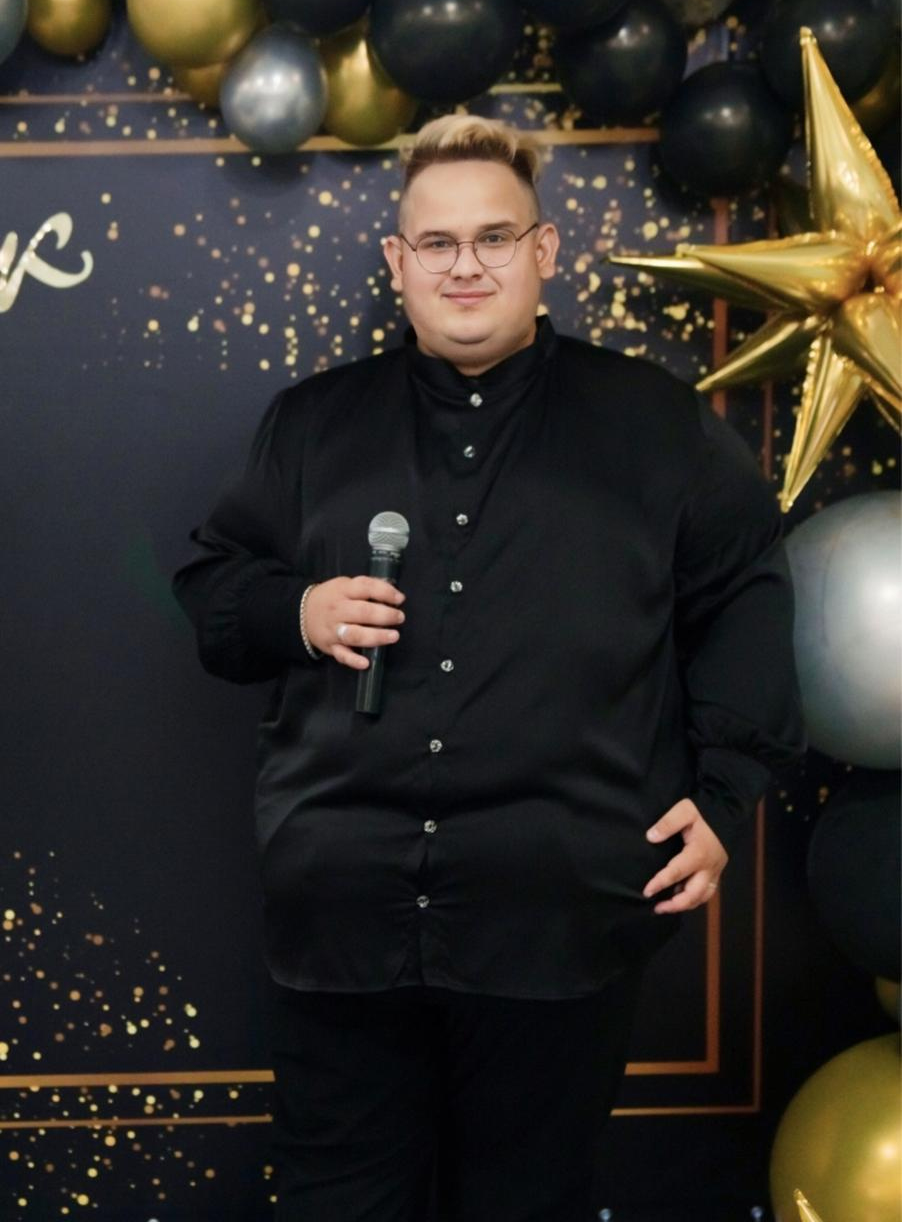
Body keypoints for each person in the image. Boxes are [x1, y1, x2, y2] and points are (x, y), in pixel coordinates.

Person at [172, 116, 805, 1221]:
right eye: (436, 242)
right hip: (344, 914)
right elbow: (211, 597)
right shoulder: (312, 426)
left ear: (543, 250)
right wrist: (299, 609)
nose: (464, 265)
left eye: (494, 238)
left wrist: (723, 795)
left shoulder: (655, 424)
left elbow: (746, 593)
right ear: (397, 262)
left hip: (559, 919)